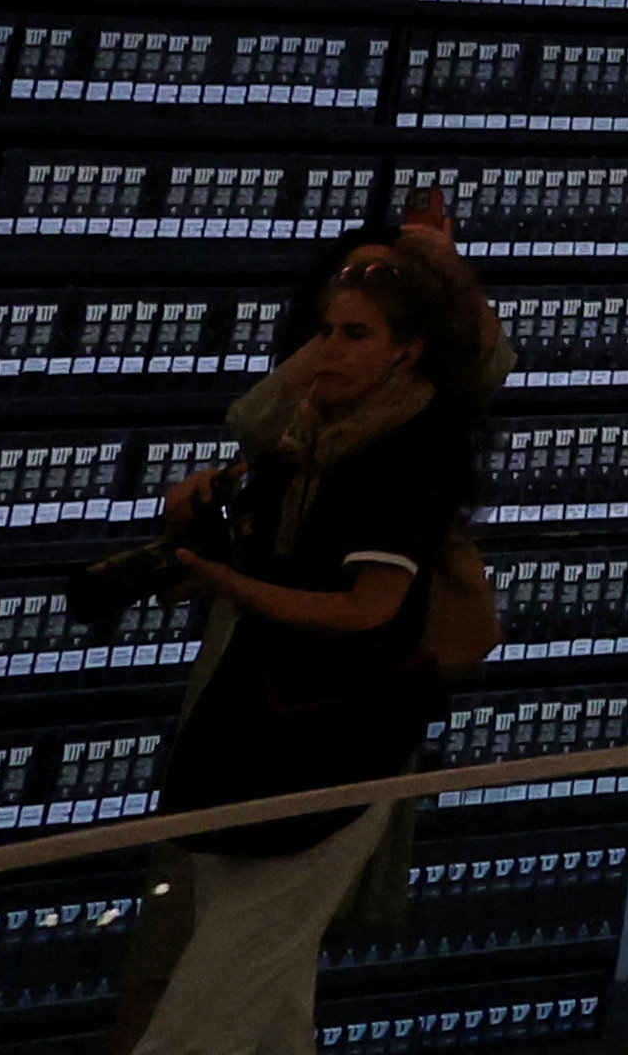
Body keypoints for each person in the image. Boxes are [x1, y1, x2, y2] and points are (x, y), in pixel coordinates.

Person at [130, 244, 489, 1048]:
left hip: (334, 749)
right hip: (257, 740)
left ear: (409, 349)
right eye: (325, 331)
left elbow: (368, 610)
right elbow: (263, 557)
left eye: (354, 334)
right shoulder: (301, 440)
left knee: (207, 1011)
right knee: (269, 997)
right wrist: (201, 547)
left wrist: (226, 586)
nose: (328, 350)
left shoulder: (410, 454)